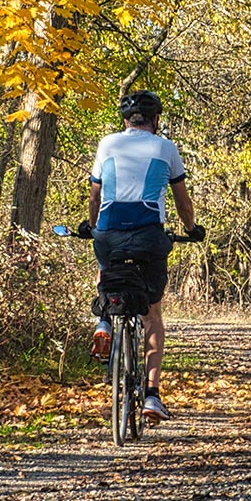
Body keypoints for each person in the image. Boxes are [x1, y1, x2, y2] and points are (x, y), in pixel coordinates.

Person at [82, 90, 204, 422]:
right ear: (156, 120)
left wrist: (93, 226)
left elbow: (96, 197)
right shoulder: (166, 148)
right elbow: (182, 202)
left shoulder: (108, 144)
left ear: (125, 120)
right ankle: (152, 395)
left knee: (105, 267)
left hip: (109, 233)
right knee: (152, 315)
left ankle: (104, 319)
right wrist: (191, 229)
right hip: (150, 235)